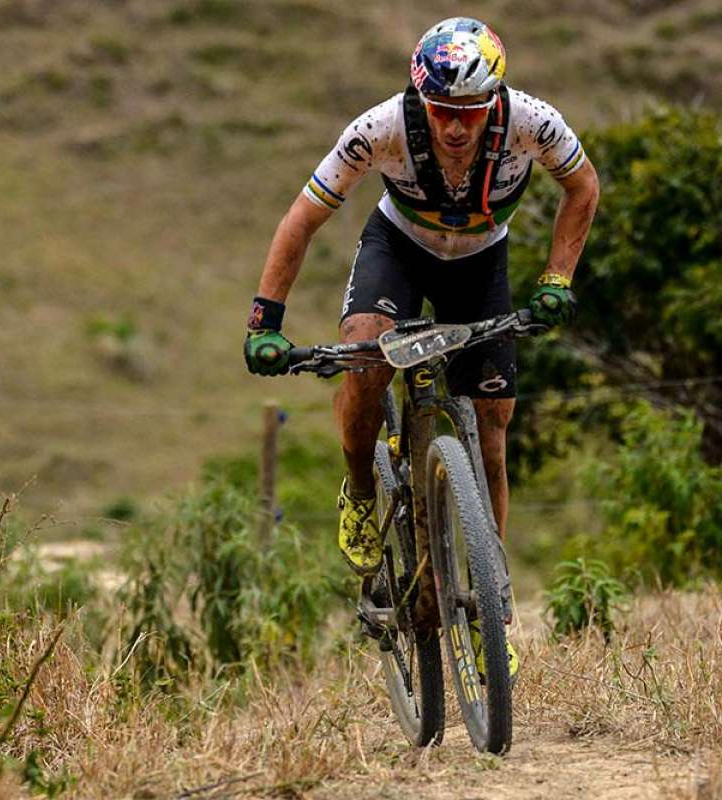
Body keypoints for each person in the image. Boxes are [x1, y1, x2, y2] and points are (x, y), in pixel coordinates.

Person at [243, 18, 598, 676]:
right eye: (442, 111)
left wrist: (556, 279)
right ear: (419, 98)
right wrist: (265, 320)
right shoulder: (379, 129)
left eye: (470, 111)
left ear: (494, 101)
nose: (457, 128)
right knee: (364, 360)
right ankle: (358, 488)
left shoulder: (533, 122)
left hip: (482, 265)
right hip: (397, 253)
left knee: (493, 433)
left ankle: (492, 605)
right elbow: (303, 217)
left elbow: (583, 187)